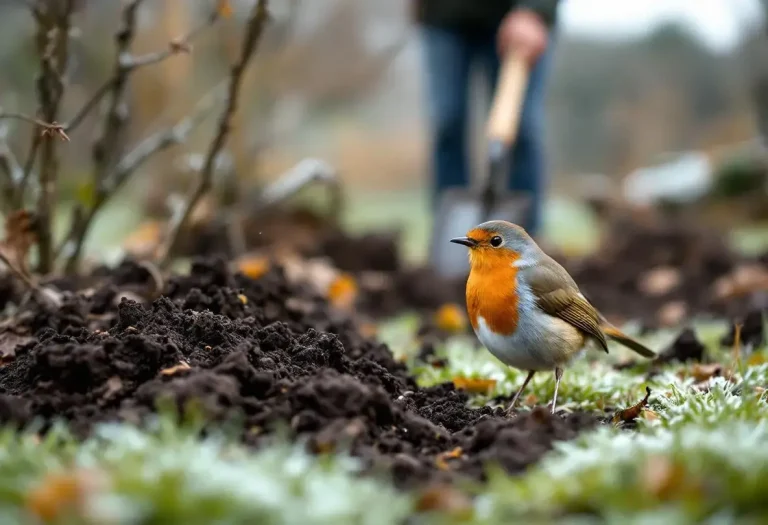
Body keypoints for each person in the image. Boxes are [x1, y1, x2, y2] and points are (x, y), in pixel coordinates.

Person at [413, 0, 559, 237]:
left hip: (517, 15)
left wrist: (535, 9)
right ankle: (450, 242)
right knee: (447, 123)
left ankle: (529, 242)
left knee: (522, 128)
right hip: (444, 14)